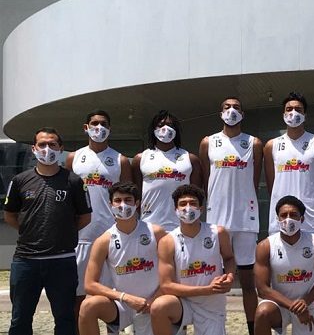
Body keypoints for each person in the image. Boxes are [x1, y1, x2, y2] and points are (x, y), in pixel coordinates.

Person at [3, 127, 92, 335]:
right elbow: (10, 215)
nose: (47, 149)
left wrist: (62, 232)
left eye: (52, 144)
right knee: (20, 320)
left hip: (62, 260)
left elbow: (85, 217)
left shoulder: (74, 181)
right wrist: (30, 230)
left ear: (60, 148)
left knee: (65, 319)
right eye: (42, 144)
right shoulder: (19, 181)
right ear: (34, 149)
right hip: (26, 261)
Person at [199, 96, 262, 334]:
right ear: (220, 112)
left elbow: (253, 183)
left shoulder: (253, 143)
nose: (232, 111)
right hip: (217, 223)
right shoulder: (208, 142)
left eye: (236, 108)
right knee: (216, 281)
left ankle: (253, 329)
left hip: (245, 222)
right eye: (227, 107)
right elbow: (206, 181)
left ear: (243, 114)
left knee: (247, 283)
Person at [65, 109, 133, 319]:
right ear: (86, 128)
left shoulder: (120, 160)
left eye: (103, 124)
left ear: (109, 129)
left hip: (111, 237)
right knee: (78, 296)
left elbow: (128, 196)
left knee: (112, 296)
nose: (99, 128)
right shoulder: (74, 158)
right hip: (81, 238)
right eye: (94, 123)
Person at [78, 181, 166, 335]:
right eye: (118, 201)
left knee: (170, 303)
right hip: (123, 305)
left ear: (137, 204)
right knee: (88, 306)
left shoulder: (156, 233)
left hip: (155, 302)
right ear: (110, 204)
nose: (122, 205)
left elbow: (174, 272)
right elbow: (90, 284)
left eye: (128, 200)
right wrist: (126, 298)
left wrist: (155, 299)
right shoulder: (103, 241)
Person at [150, 184, 236, 335]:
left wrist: (229, 277)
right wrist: (207, 290)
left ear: (201, 208)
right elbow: (166, 286)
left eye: (193, 203)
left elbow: (229, 259)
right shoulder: (167, 241)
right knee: (159, 306)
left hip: (211, 306)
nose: (188, 208)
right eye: (183, 204)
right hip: (183, 303)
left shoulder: (218, 233)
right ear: (175, 210)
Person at [254, 195, 314, 335]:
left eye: (293, 215)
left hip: (309, 303)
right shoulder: (265, 246)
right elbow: (262, 289)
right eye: (283, 215)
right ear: (278, 219)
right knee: (262, 313)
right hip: (279, 304)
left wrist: (305, 302)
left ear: (302, 219)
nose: (288, 219)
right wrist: (294, 306)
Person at [263, 92, 314, 239]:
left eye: (298, 109)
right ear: (283, 114)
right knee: (279, 261)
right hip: (281, 217)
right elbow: (272, 185)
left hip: (311, 217)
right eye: (289, 109)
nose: (293, 113)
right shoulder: (271, 145)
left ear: (305, 115)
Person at [132, 110, 203, 231]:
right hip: (149, 226)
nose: (165, 128)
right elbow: (135, 195)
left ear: (176, 130)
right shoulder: (140, 159)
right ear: (153, 130)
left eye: (170, 125)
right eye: (160, 125)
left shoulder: (190, 159)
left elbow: (196, 195)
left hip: (181, 226)